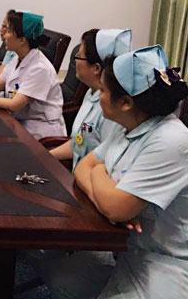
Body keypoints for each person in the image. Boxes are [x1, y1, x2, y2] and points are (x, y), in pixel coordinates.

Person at [36, 45, 188, 298]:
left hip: (165, 262)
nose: (98, 96)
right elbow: (84, 167)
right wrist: (107, 192)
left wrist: (102, 180)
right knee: (59, 280)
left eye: (103, 90)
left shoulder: (171, 140)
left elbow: (116, 207)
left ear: (126, 102)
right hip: (124, 247)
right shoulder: (127, 125)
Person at [0, 11, 66, 139]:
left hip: (39, 130)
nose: (4, 35)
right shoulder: (17, 59)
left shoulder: (40, 68)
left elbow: (15, 104)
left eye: (9, 31)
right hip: (19, 120)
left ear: (22, 40)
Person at [50, 29, 131, 170]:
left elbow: (107, 161)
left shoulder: (112, 108)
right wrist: (47, 155)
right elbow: (78, 143)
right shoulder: (90, 92)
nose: (75, 61)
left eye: (79, 56)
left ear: (96, 68)